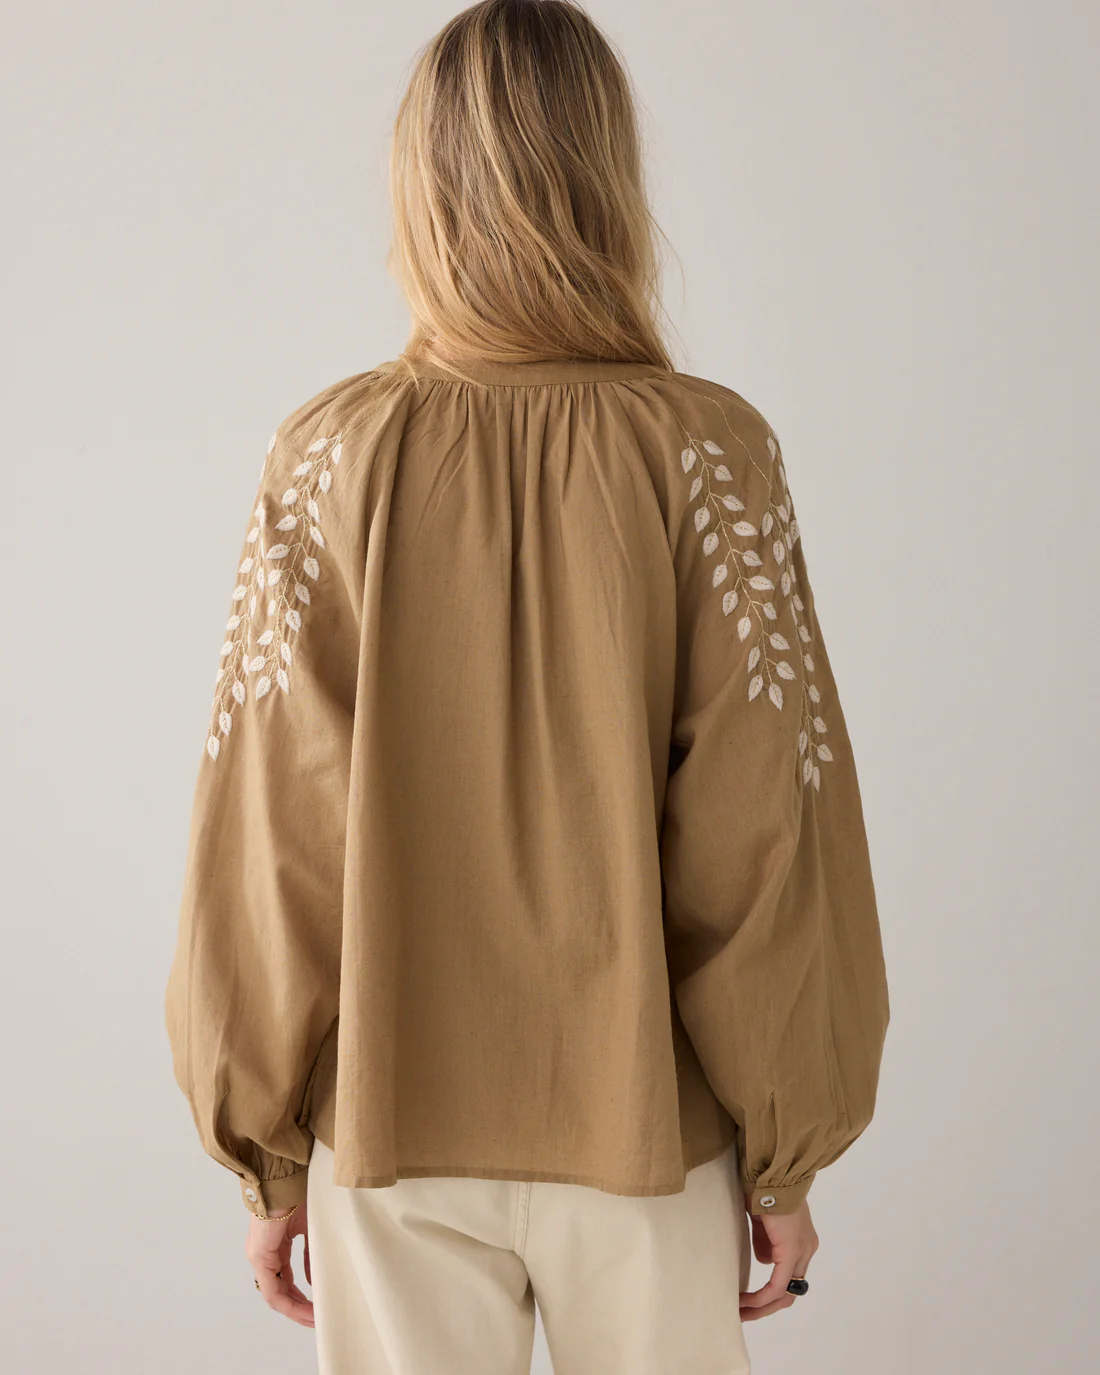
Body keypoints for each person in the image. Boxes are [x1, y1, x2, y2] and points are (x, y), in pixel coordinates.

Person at [164, 2, 889, 1371]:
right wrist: (785, 1154)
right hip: (651, 1143)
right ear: (608, 177)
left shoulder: (329, 458)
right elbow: (763, 839)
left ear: (418, 188)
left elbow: (273, 840)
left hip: (388, 1137)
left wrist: (265, 1154)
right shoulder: (708, 456)